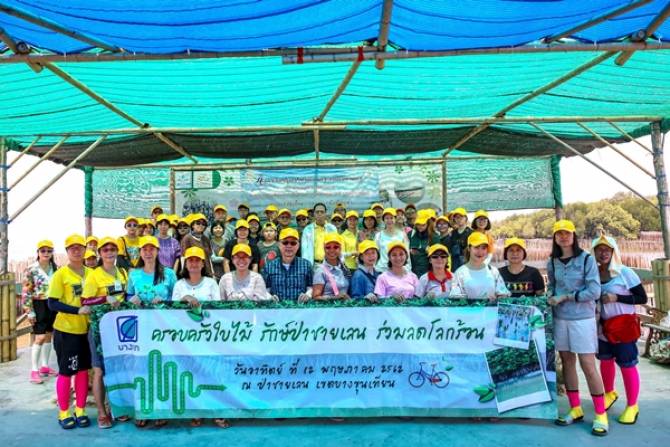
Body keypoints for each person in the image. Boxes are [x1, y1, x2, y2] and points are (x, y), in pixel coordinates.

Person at [547, 220, 607, 436]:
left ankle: (600, 414)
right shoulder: (552, 261)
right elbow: (552, 285)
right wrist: (549, 296)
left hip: (582, 318)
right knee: (567, 361)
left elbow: (595, 291)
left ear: (574, 236)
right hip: (560, 318)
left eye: (567, 233)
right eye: (559, 234)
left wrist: (566, 297)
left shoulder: (586, 259)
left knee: (588, 364)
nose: (563, 237)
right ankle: (575, 408)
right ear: (555, 238)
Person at [592, 235, 647, 425]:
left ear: (614, 251)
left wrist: (617, 298)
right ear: (594, 253)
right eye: (599, 249)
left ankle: (632, 405)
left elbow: (641, 298)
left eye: (607, 249)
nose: (603, 253)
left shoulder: (625, 273)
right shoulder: (593, 275)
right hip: (602, 326)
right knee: (605, 360)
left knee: (627, 363)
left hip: (623, 327)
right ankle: (609, 393)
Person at [171, 246, 227, 428]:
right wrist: (185, 298)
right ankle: (196, 412)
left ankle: (218, 412)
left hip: (209, 338)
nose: (194, 263)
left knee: (212, 374)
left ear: (203, 264)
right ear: (185, 264)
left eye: (197, 260)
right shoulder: (179, 285)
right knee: (192, 375)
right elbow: (171, 311)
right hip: (186, 340)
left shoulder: (211, 283)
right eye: (190, 260)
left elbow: (218, 309)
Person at [47, 234, 92, 430]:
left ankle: (80, 409)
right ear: (67, 251)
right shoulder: (61, 274)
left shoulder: (92, 273)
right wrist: (77, 310)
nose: (76, 250)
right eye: (72, 248)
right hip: (66, 331)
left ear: (85, 250)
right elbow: (52, 303)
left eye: (79, 247)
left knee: (82, 371)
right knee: (66, 372)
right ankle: (64, 411)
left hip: (86, 330)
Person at [22, 240, 59, 384]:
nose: (46, 253)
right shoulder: (31, 269)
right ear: (37, 252)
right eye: (43, 251)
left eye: (49, 251)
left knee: (49, 335)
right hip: (38, 304)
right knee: (39, 337)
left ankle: (45, 366)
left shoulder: (56, 268)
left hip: (52, 303)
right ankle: (34, 370)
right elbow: (26, 292)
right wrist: (29, 311)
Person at [450, 232, 510, 300]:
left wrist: (500, 297)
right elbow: (455, 299)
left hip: (491, 307)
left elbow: (503, 294)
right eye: (476, 247)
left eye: (483, 248)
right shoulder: (460, 273)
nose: (480, 251)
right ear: (469, 248)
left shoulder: (493, 271)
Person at [262, 228, 313, 302]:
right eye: (285, 242)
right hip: (277, 308)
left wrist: (308, 295)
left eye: (293, 243)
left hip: (300, 308)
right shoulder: (269, 266)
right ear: (279, 244)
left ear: (298, 245)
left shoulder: (306, 265)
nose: (289, 246)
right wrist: (269, 297)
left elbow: (311, 286)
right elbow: (265, 289)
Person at [127, 236, 177, 306]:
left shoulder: (169, 273)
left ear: (157, 251)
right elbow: (129, 295)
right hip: (139, 312)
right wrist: (131, 299)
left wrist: (164, 302)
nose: (148, 252)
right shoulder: (133, 274)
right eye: (144, 249)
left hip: (163, 312)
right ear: (140, 252)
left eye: (152, 249)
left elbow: (176, 297)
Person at [312, 233, 351, 300]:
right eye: (328, 247)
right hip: (329, 306)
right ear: (324, 249)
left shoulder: (344, 267)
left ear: (340, 249)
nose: (332, 250)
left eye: (336, 247)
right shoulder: (320, 271)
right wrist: (334, 298)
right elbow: (315, 297)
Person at [374, 208, 411, 272]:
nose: (389, 220)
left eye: (391, 218)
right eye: (387, 218)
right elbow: (375, 253)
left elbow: (407, 254)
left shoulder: (402, 235)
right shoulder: (378, 236)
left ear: (395, 219)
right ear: (383, 220)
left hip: (399, 269)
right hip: (382, 270)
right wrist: (375, 267)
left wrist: (407, 268)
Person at [180, 213, 214, 277]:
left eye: (203, 224)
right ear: (193, 225)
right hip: (192, 272)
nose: (201, 225)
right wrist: (184, 273)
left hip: (207, 273)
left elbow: (209, 258)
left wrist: (212, 272)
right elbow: (183, 257)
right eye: (198, 223)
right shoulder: (187, 238)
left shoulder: (206, 239)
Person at [409, 213, 439, 278]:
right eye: (418, 224)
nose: (420, 226)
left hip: (428, 271)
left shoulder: (434, 237)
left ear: (428, 224)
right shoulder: (411, 234)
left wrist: (431, 251)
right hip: (413, 271)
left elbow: (438, 255)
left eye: (423, 224)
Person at [445, 207, 472, 273]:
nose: (459, 219)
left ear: (466, 218)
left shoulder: (471, 233)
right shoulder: (452, 233)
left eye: (461, 217)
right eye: (457, 217)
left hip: (467, 263)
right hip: (454, 263)